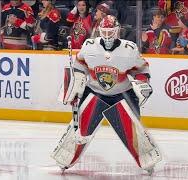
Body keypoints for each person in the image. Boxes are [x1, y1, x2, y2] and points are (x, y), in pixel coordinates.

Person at [51, 15, 162, 175]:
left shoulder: (129, 49)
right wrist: (75, 84)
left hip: (123, 93)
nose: (107, 36)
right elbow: (79, 66)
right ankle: (66, 158)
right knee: (80, 128)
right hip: (95, 92)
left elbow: (142, 69)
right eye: (104, 32)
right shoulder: (89, 46)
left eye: (111, 32)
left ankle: (146, 160)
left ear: (117, 31)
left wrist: (142, 82)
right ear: (99, 31)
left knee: (134, 131)